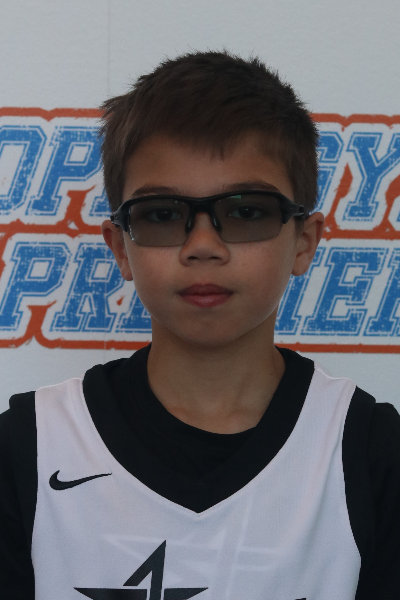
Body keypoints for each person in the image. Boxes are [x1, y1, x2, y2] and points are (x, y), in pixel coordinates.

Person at [0, 50, 399, 600]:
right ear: (120, 246)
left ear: (304, 241)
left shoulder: (372, 453)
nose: (203, 246)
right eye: (163, 215)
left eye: (246, 211)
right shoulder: (28, 446)